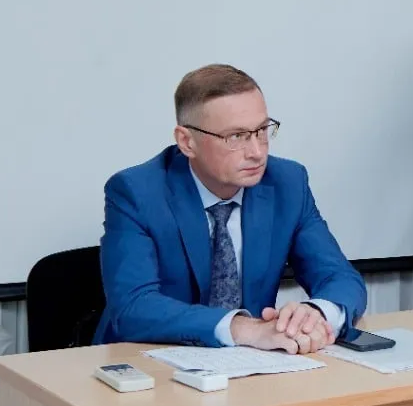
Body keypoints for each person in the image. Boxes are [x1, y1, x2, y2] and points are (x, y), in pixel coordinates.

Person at [93, 64, 367, 352]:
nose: (257, 152)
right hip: (147, 361)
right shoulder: (137, 192)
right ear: (187, 142)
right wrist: (243, 328)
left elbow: (340, 278)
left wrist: (316, 314)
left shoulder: (287, 183)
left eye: (262, 130)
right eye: (236, 137)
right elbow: (132, 307)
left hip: (250, 364)